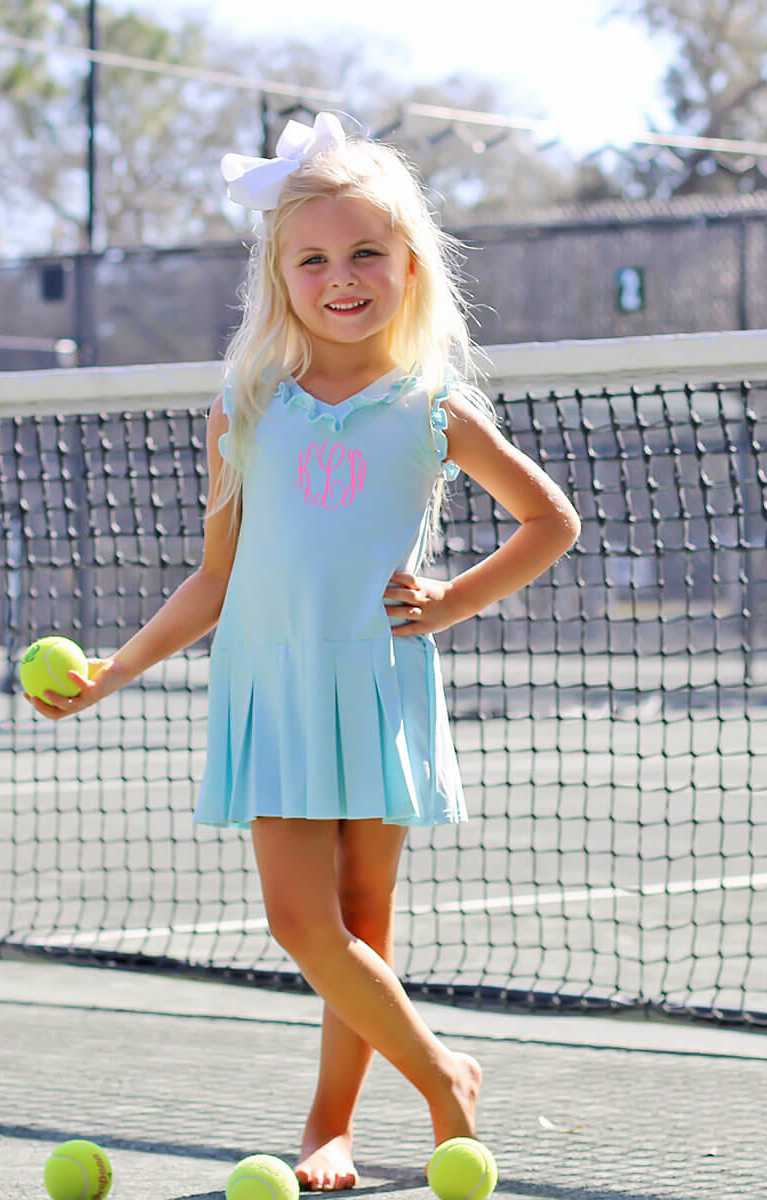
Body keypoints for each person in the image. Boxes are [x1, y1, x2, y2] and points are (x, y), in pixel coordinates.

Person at [28, 112, 581, 1191]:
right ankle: (444, 1078)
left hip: (375, 681)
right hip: (270, 687)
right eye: (313, 258)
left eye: (366, 253)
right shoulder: (245, 412)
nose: (342, 277)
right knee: (301, 920)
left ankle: (329, 1125)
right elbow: (216, 578)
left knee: (362, 922)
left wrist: (452, 600)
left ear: (408, 264)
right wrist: (114, 672)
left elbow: (549, 521)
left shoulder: (433, 407)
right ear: (278, 277)